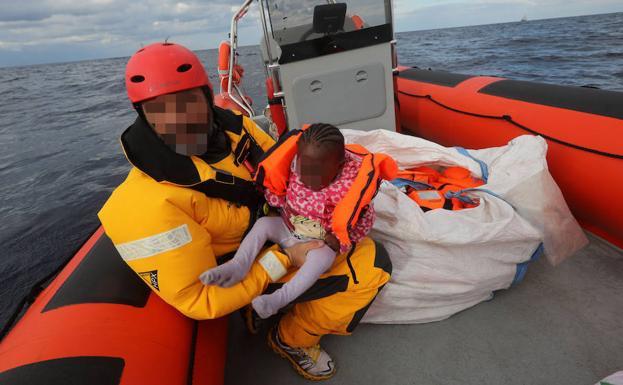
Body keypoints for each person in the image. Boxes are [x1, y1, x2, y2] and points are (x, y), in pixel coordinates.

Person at [98, 41, 393, 381]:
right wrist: (285, 259)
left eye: (188, 102)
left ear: (207, 97)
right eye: (159, 109)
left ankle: (264, 311)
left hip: (280, 231)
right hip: (243, 273)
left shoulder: (237, 130)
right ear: (143, 117)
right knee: (373, 265)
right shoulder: (147, 204)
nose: (179, 120)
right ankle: (291, 339)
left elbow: (284, 177)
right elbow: (199, 298)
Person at [200, 123, 394, 324]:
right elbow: (278, 192)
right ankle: (238, 265)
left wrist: (341, 242)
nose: (307, 178)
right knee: (264, 225)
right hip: (288, 226)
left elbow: (364, 220)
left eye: (316, 173)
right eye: (303, 168)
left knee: (323, 258)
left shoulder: (350, 186)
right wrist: (275, 204)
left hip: (316, 242)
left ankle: (278, 300)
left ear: (340, 165)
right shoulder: (293, 165)